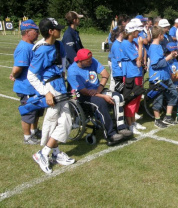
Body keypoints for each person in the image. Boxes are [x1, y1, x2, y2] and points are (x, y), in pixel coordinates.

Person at [28, 18, 75, 174]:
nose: (60, 30)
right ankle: (44, 153)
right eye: (57, 28)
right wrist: (46, 92)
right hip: (50, 88)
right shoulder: (41, 49)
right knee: (55, 121)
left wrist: (63, 73)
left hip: (60, 85)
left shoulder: (58, 44)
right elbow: (31, 75)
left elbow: (62, 61)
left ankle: (52, 152)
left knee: (64, 121)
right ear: (50, 31)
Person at [67, 49, 132, 144]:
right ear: (80, 61)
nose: (91, 61)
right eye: (88, 61)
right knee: (100, 103)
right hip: (84, 96)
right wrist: (102, 96)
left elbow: (105, 74)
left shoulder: (92, 61)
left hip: (98, 90)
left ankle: (121, 127)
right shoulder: (73, 71)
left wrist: (98, 90)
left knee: (118, 97)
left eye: (90, 60)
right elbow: (83, 91)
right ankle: (111, 134)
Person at [10, 19, 43, 144]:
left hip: (35, 87)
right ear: (28, 32)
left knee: (37, 111)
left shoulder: (30, 46)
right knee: (28, 111)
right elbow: (18, 67)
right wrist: (14, 74)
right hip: (26, 87)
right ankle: (27, 136)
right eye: (36, 31)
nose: (38, 34)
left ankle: (34, 131)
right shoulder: (24, 48)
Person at [148, 26, 178, 128]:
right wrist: (168, 58)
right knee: (158, 100)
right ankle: (157, 120)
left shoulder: (159, 46)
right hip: (157, 78)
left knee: (174, 94)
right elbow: (155, 65)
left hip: (165, 77)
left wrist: (171, 56)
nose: (164, 37)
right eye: (163, 35)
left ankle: (168, 117)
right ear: (160, 35)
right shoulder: (153, 47)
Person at [120, 19, 146, 134]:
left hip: (137, 73)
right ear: (132, 32)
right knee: (131, 99)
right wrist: (140, 46)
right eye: (137, 31)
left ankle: (133, 121)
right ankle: (129, 124)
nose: (139, 34)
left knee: (137, 98)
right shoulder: (126, 43)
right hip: (131, 75)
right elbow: (138, 59)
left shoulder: (133, 43)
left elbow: (140, 60)